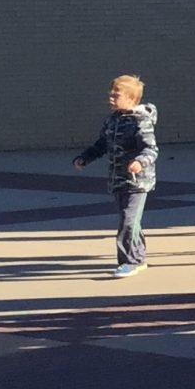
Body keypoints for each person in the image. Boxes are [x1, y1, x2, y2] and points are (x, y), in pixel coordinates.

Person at [73, 74, 158, 278]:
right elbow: (102, 144)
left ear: (131, 98)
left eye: (116, 95)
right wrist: (85, 158)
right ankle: (137, 255)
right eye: (110, 94)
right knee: (130, 220)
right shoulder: (112, 121)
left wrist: (139, 162)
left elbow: (151, 149)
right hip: (117, 178)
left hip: (138, 182)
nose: (111, 98)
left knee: (128, 220)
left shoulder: (141, 121)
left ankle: (130, 261)